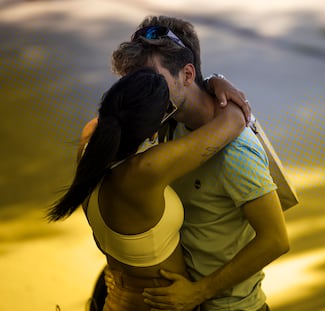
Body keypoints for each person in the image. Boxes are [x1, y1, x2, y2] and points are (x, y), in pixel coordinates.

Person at [98, 16, 290, 311]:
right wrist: (214, 79)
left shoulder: (236, 153)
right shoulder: (168, 120)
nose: (140, 92)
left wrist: (200, 292)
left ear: (187, 74)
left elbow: (276, 240)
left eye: (151, 80)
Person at [47, 68, 246, 311]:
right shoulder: (145, 170)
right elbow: (234, 120)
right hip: (159, 304)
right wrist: (219, 81)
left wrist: (213, 80)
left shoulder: (89, 141)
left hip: (117, 298)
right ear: (154, 130)